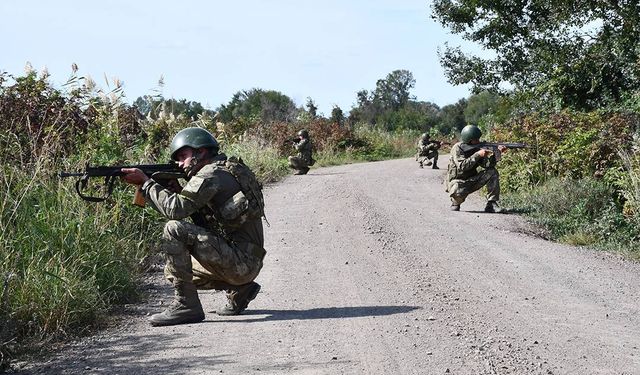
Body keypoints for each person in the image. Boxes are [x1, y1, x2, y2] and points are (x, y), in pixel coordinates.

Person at [121, 127, 266, 326]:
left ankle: (186, 306)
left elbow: (176, 210)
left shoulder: (210, 174)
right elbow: (212, 222)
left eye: (183, 156)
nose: (180, 164)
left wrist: (146, 184)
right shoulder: (226, 169)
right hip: (246, 261)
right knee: (172, 271)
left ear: (201, 152)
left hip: (241, 264)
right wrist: (179, 190)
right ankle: (241, 290)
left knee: (173, 228)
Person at [445, 125, 507, 213]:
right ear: (469, 139)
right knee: (457, 190)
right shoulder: (458, 148)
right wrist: (478, 154)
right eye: (476, 139)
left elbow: (488, 166)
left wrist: (497, 154)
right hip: (457, 182)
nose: (479, 141)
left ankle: (491, 204)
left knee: (492, 172)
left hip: (472, 180)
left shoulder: (477, 148)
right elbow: (463, 166)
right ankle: (456, 202)